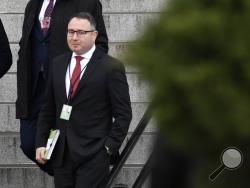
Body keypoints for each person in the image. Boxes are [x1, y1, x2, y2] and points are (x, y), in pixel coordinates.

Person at [35, 12, 132, 188]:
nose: (74, 37)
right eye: (70, 32)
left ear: (94, 35)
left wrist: (108, 148)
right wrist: (41, 143)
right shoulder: (57, 64)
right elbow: (48, 108)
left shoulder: (111, 67)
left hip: (94, 155)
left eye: (81, 32)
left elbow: (123, 114)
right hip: (61, 153)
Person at [16, 0, 108, 175]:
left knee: (65, 144)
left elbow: (100, 46)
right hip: (34, 89)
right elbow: (27, 43)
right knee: (29, 144)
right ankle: (70, 176)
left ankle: (78, 178)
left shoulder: (88, 3)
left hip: (66, 89)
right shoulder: (33, 4)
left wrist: (82, 76)